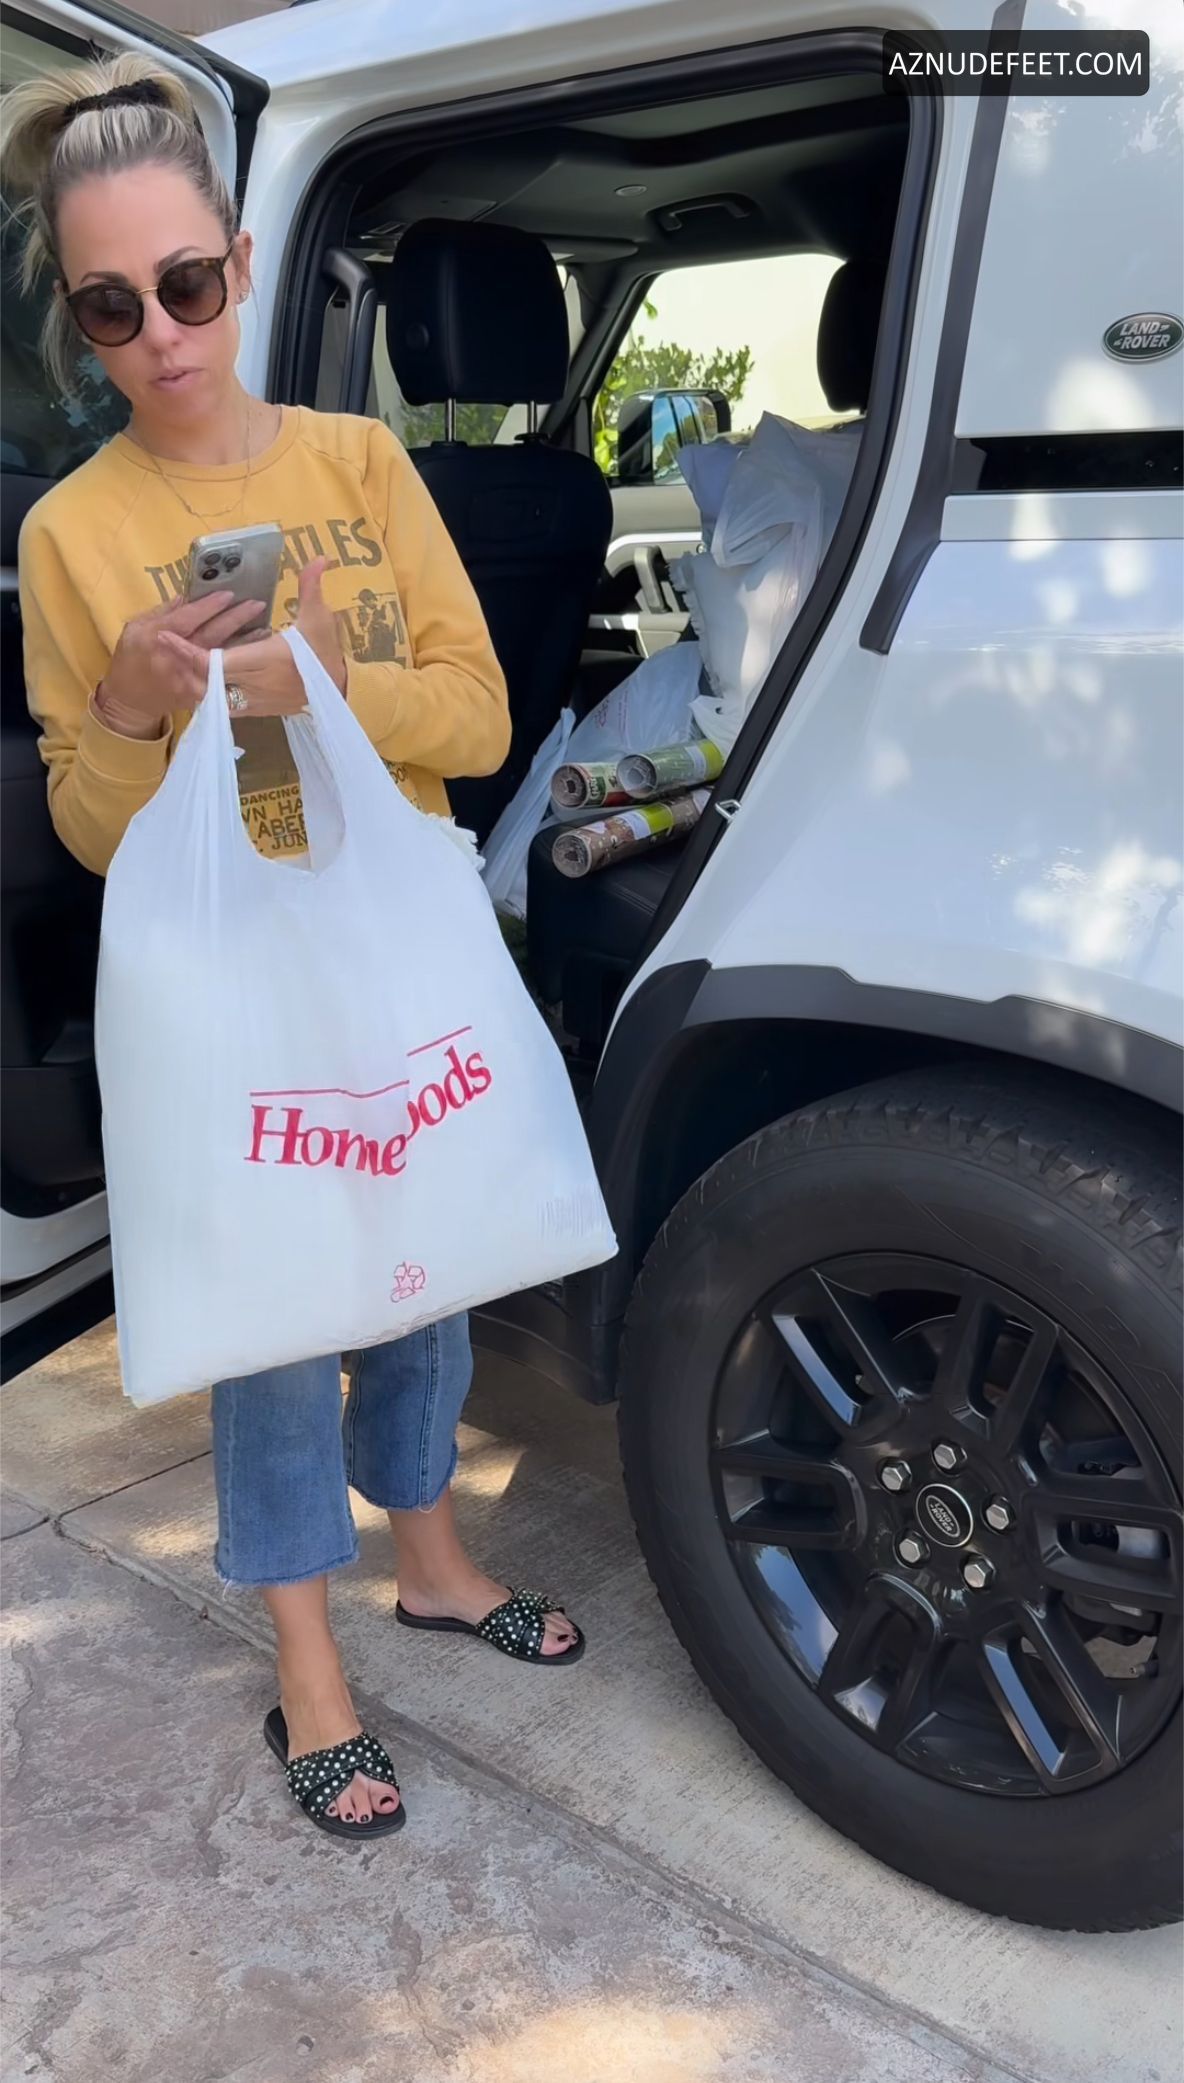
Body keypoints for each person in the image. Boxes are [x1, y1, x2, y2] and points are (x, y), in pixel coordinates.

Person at [2, 54, 583, 1845]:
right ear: (80, 322)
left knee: (424, 1257)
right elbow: (93, 832)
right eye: (112, 307)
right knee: (272, 1318)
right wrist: (127, 705)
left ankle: (433, 1557)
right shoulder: (72, 532)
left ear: (241, 266)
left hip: (388, 929)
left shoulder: (360, 463)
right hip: (226, 970)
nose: (162, 335)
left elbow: (480, 719)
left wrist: (331, 674)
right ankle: (308, 1664)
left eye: (186, 283)